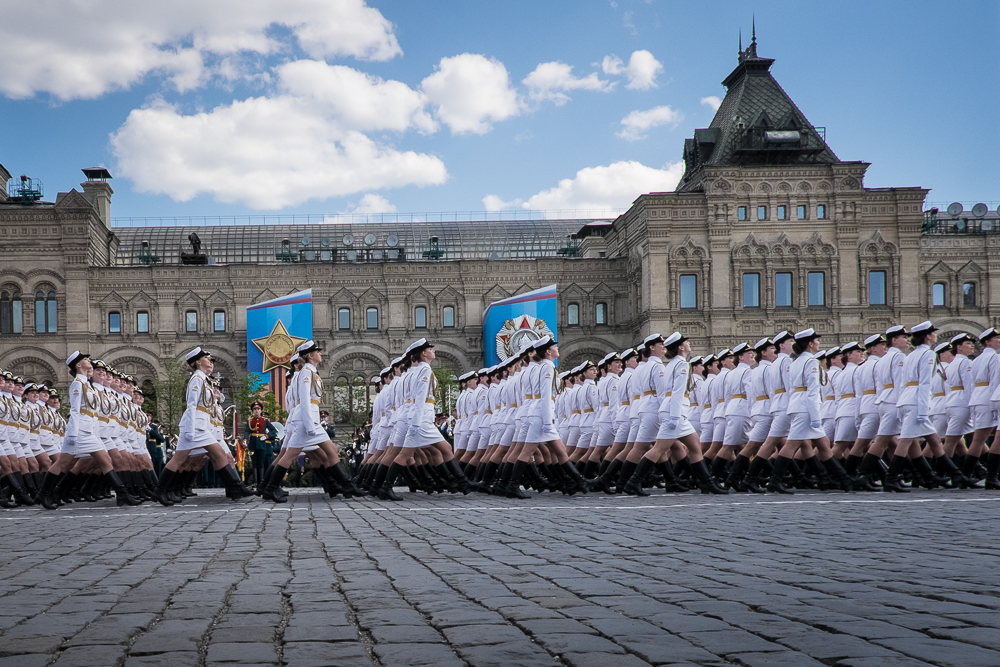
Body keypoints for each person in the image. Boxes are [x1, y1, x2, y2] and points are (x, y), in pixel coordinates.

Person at [260, 341, 366, 502]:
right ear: (310, 356)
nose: (320, 354)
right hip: (306, 420)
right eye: (317, 352)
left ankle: (346, 485)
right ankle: (269, 488)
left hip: (309, 419)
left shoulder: (310, 372)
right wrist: (310, 425)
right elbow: (304, 400)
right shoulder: (306, 373)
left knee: (330, 451)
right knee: (290, 455)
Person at [153, 348, 253, 503]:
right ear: (198, 362)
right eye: (208, 359)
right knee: (179, 460)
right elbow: (192, 405)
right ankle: (160, 491)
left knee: (216, 455)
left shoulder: (204, 380)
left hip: (202, 425)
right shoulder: (197, 378)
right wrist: (191, 430)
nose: (211, 362)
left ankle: (236, 487)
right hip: (195, 426)